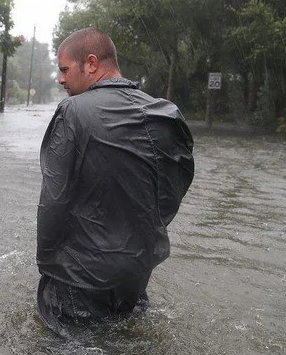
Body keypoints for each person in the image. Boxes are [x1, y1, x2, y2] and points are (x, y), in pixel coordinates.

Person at [36, 28, 194, 335]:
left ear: (91, 63)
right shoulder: (166, 113)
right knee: (127, 346)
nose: (61, 79)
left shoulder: (72, 111)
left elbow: (53, 200)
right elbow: (174, 187)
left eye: (65, 69)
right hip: (135, 273)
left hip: (77, 280)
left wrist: (48, 265)